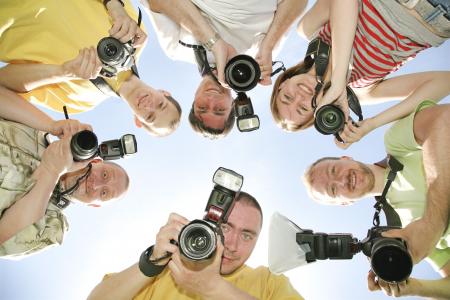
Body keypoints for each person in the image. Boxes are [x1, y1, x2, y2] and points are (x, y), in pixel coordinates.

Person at [302, 100, 450, 298]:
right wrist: (415, 288)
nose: (341, 180)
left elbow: (443, 118)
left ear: (347, 158)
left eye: (334, 170)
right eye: (333, 189)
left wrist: (432, 224)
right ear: (346, 203)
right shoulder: (403, 235)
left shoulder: (397, 142)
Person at [271, 0, 449, 147]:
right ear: (318, 111)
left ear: (284, 83)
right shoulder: (363, 91)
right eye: (303, 108)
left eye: (287, 97)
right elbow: (444, 82)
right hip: (441, 17)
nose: (299, 97)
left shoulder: (310, 30)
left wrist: (338, 80)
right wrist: (372, 124)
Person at [0, 0, 181, 137]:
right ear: (164, 92)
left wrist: (63, 72)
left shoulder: (81, 102)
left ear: (138, 122)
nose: (150, 106)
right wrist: (116, 8)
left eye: (149, 117)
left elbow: (5, 80)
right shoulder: (137, 34)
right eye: (160, 105)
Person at [88, 192, 304, 299]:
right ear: (207, 225)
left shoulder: (268, 283)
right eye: (226, 228)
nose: (232, 244)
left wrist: (214, 288)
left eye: (247, 236)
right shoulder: (163, 271)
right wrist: (151, 263)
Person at [142, 0, 307, 138]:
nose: (211, 100)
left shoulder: (176, 50)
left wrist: (213, 41)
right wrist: (269, 45)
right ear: (232, 104)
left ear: (194, 99)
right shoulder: (260, 59)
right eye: (219, 109)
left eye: (202, 108)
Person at [0, 85, 130, 258]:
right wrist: (52, 125)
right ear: (96, 161)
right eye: (104, 175)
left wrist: (51, 171)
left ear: (94, 205)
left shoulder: (52, 224)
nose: (96, 184)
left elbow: (3, 239)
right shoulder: (38, 130)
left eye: (104, 192)